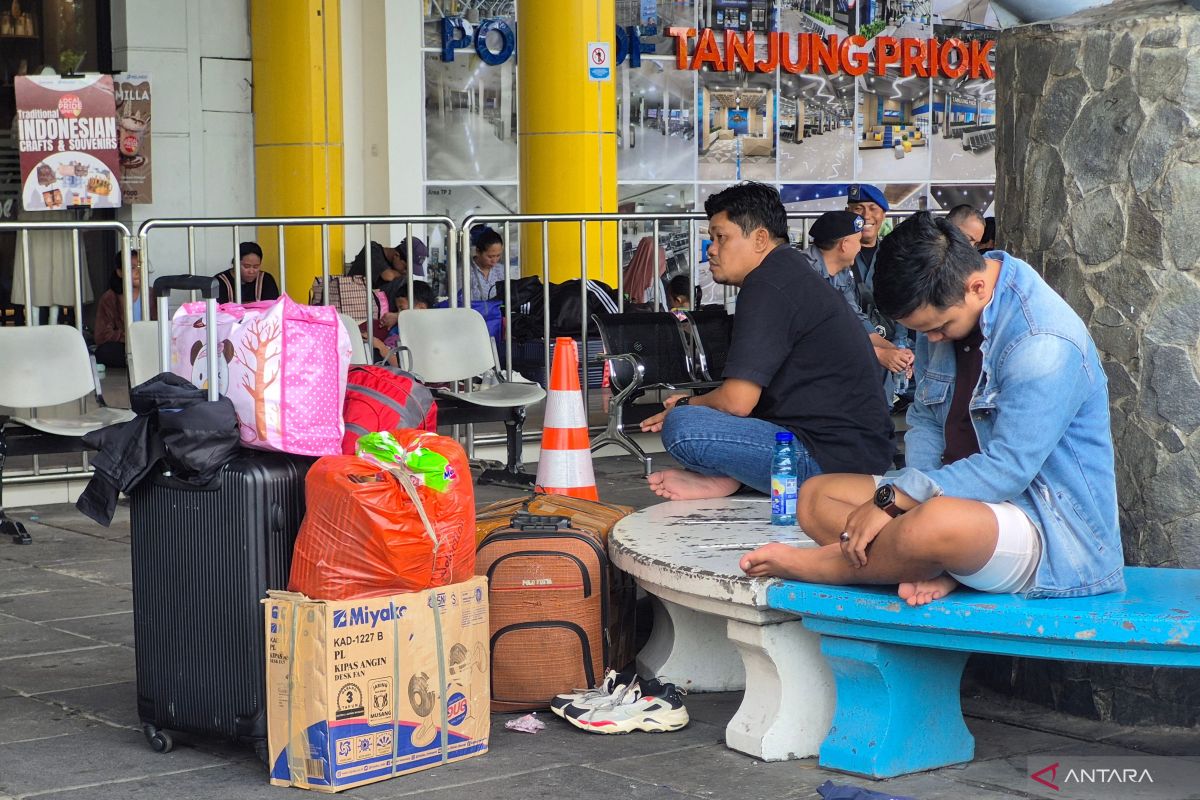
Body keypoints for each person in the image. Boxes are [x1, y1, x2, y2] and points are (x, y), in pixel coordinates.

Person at [740, 212, 1122, 606]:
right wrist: (901, 504)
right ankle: (929, 563)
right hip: (952, 500)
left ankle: (827, 566)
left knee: (932, 524)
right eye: (923, 331)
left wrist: (897, 500)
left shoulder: (1042, 340)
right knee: (817, 497)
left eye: (939, 328)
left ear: (976, 288)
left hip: (1044, 527)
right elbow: (924, 418)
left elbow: (1007, 471)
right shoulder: (943, 304)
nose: (931, 339)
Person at [640, 182, 895, 501]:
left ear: (760, 238)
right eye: (712, 238)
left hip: (829, 461)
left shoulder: (767, 285)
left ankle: (736, 479)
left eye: (722, 237)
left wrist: (684, 404)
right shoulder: (788, 272)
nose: (712, 248)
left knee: (684, 427)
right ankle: (732, 479)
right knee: (697, 415)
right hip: (849, 454)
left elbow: (737, 401)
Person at [846, 184, 914, 409]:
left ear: (883, 215)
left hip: (890, 344)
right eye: (858, 209)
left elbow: (903, 305)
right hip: (850, 347)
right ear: (848, 213)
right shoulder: (838, 254)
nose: (866, 215)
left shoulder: (894, 255)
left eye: (873, 208)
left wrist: (900, 348)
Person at [93, 250, 151, 369]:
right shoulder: (110, 298)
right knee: (104, 352)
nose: (138, 272)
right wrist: (128, 337)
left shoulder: (153, 294)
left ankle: (141, 360)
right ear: (120, 272)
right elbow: (102, 335)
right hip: (124, 346)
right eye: (133, 268)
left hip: (148, 343)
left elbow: (163, 326)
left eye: (140, 266)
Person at [216, 242, 281, 304]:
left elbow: (273, 308)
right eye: (246, 266)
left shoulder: (266, 279)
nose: (251, 271)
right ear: (235, 263)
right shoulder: (219, 281)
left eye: (256, 267)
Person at [469, 226, 507, 302]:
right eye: (490, 256)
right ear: (478, 252)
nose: (494, 260)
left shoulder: (501, 270)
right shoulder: (465, 271)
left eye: (498, 255)